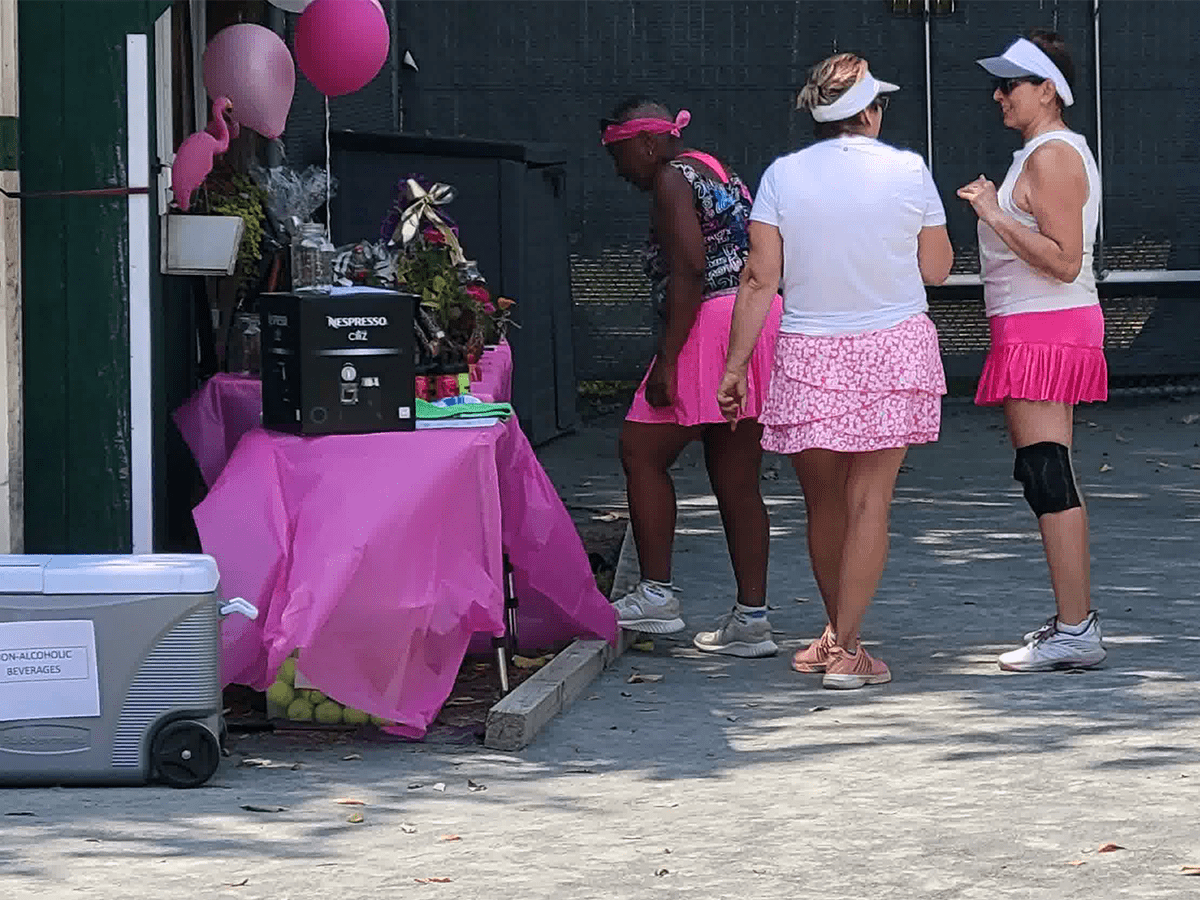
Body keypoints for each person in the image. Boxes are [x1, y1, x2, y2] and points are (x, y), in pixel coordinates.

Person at [718, 55, 953, 689]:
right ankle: (848, 649)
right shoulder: (910, 169)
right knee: (869, 500)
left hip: (808, 352)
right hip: (894, 347)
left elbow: (760, 278)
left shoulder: (781, 176)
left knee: (822, 503)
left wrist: (736, 366)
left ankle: (838, 636)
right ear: (871, 111)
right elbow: (936, 269)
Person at [600, 98, 784, 657]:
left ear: (650, 143)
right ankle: (752, 620)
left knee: (641, 449)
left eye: (619, 151)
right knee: (736, 474)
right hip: (759, 317)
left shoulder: (671, 180)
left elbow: (690, 267)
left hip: (712, 322)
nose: (616, 167)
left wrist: (669, 359)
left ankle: (656, 593)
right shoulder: (712, 165)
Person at [958, 31, 1108, 672]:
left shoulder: (1051, 155)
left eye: (1011, 84)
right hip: (1035, 326)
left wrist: (994, 213)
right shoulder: (1044, 152)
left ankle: (1077, 628)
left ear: (1047, 89)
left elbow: (1064, 260)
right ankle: (1073, 624)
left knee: (1047, 471)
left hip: (1048, 325)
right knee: (1044, 470)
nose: (998, 95)